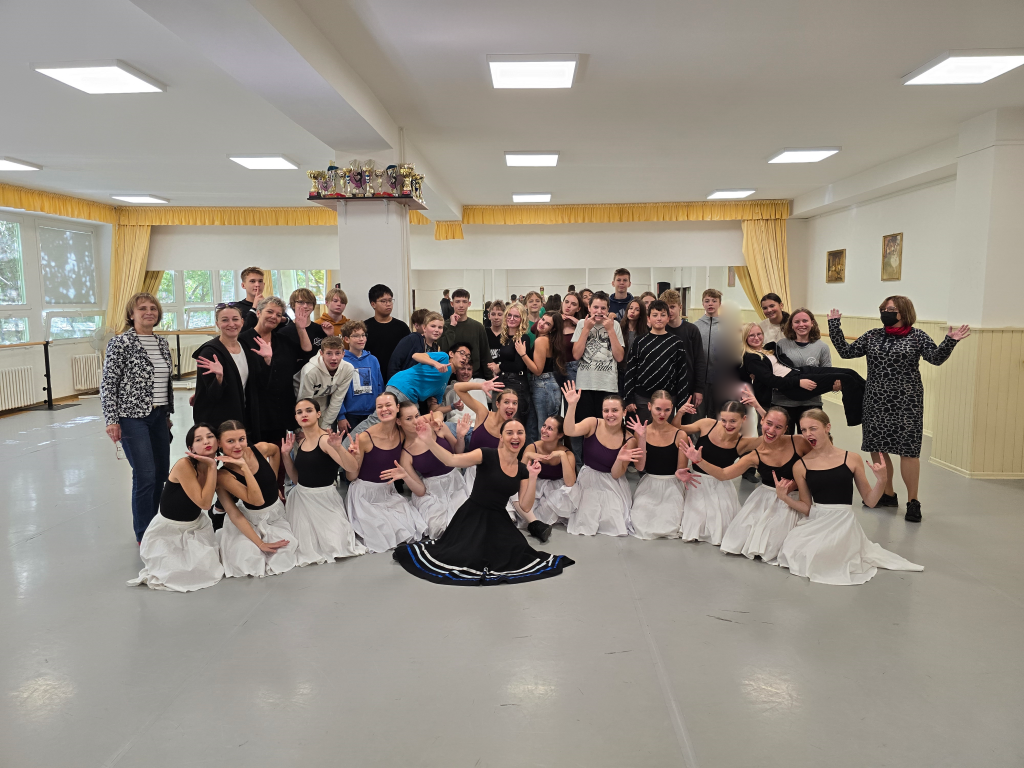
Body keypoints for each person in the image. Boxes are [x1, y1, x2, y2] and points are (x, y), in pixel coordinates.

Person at [828, 297, 969, 522]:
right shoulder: (873, 335)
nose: (886, 312)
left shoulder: (917, 336)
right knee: (877, 447)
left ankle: (913, 501)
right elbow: (846, 351)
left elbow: (935, 358)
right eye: (883, 309)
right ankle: (888, 493)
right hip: (875, 399)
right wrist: (834, 325)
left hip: (907, 401)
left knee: (908, 451)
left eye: (891, 309)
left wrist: (950, 341)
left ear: (904, 312)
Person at [393, 417, 572, 585]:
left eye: (520, 432)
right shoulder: (486, 454)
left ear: (525, 437)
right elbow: (451, 459)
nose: (515, 437)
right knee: (467, 557)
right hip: (472, 518)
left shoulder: (522, 469)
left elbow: (525, 505)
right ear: (501, 437)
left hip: (499, 521)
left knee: (517, 553)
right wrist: (429, 441)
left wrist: (533, 477)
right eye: (509, 433)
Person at [773, 409, 924, 585]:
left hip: (844, 523)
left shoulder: (851, 458)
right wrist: (785, 498)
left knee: (828, 556)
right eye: (804, 430)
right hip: (817, 521)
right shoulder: (800, 466)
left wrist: (882, 480)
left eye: (813, 428)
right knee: (798, 552)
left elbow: (870, 501)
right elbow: (807, 507)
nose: (808, 434)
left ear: (827, 427)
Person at [688, 405, 810, 563]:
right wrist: (699, 461)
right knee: (739, 539)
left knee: (779, 544)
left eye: (778, 427)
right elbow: (724, 474)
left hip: (793, 499)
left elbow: (818, 463)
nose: (771, 430)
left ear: (786, 429)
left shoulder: (799, 442)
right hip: (765, 498)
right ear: (762, 421)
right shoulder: (754, 456)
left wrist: (797, 484)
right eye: (769, 424)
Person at [102, 292, 175, 543]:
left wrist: (166, 413)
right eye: (142, 308)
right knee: (145, 474)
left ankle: (157, 524)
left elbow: (164, 382)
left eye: (153, 308)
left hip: (159, 416)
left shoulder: (162, 343)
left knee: (161, 474)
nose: (149, 312)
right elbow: (109, 383)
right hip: (132, 417)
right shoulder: (120, 343)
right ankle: (144, 533)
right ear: (131, 314)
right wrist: (112, 419)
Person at [127, 423, 224, 592]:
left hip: (196, 526)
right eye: (198, 439)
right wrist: (212, 466)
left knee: (209, 568)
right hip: (169, 531)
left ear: (218, 442)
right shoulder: (184, 465)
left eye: (210, 437)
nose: (206, 442)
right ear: (191, 448)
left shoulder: (213, 467)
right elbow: (205, 503)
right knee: (180, 575)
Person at [280, 399, 366, 566]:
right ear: (295, 417)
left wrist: (339, 448)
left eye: (309, 410)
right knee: (303, 545)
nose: (304, 414)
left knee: (335, 544)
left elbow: (351, 467)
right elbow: (296, 479)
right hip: (301, 500)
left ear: (318, 414)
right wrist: (285, 455)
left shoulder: (326, 440)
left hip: (324, 500)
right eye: (299, 412)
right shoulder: (302, 441)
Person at [738, 322, 865, 428]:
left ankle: (870, 393)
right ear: (745, 338)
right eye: (751, 335)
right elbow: (771, 380)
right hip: (794, 383)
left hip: (799, 371)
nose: (756, 338)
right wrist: (798, 382)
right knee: (846, 379)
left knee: (849, 372)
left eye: (759, 334)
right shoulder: (752, 357)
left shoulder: (766, 349)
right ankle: (857, 418)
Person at [345, 392, 427, 552]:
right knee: (383, 532)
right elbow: (351, 477)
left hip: (388, 491)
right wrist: (354, 458)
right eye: (380, 406)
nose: (384, 409)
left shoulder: (401, 432)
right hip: (365, 495)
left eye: (388, 405)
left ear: (397, 408)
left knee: (411, 525)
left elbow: (430, 417)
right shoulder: (365, 438)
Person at [215, 420, 297, 578]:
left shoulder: (260, 449)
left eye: (241, 439)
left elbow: (275, 451)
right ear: (219, 443)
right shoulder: (223, 475)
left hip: (274, 516)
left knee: (284, 552)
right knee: (248, 558)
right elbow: (238, 512)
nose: (237, 446)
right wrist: (260, 543)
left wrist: (273, 483)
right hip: (249, 520)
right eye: (230, 441)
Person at [676, 401, 760, 545]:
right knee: (694, 523)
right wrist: (679, 413)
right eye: (724, 420)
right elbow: (677, 429)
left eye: (733, 421)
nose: (727, 425)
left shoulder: (743, 443)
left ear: (744, 419)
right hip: (696, 482)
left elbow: (774, 438)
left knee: (722, 528)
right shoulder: (707, 424)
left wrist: (758, 408)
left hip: (721, 486)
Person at [346, 347, 470, 442]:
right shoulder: (443, 357)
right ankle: (344, 451)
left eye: (468, 356)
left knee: (413, 430)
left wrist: (453, 406)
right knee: (376, 421)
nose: (465, 358)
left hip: (411, 398)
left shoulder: (443, 385)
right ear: (451, 354)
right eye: (462, 353)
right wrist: (436, 364)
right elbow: (416, 355)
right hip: (401, 386)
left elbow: (435, 409)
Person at [561, 383, 637, 537]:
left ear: (624, 412)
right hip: (589, 479)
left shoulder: (629, 439)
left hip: (612, 483)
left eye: (615, 410)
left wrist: (619, 459)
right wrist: (572, 405)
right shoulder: (592, 423)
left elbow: (616, 474)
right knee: (584, 522)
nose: (610, 414)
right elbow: (569, 430)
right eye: (606, 410)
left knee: (613, 523)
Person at [192, 303, 273, 442]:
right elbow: (212, 396)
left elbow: (261, 384)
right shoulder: (209, 353)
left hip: (243, 417)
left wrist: (267, 360)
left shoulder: (246, 348)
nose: (231, 324)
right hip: (218, 421)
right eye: (225, 320)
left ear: (242, 322)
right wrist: (219, 377)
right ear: (217, 324)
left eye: (235, 319)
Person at [240, 296, 312, 446]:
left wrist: (301, 328)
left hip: (280, 408)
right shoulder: (243, 340)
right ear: (258, 313)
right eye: (270, 312)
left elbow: (306, 351)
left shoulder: (282, 340)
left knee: (278, 453)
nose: (274, 317)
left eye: (278, 315)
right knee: (256, 452)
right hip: (256, 408)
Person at [628, 391, 699, 540]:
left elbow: (680, 469)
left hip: (672, 485)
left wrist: (684, 471)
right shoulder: (641, 432)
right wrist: (642, 438)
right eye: (658, 409)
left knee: (669, 524)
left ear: (672, 409)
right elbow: (639, 467)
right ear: (649, 406)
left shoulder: (679, 434)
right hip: (649, 483)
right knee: (641, 523)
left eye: (667, 410)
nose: (662, 414)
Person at [396, 401, 469, 540]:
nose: (415, 421)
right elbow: (420, 491)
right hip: (432, 493)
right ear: (399, 422)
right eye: (409, 419)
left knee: (467, 520)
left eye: (416, 416)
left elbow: (458, 453)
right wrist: (405, 477)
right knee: (439, 528)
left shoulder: (437, 428)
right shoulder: (405, 454)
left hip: (455, 483)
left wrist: (460, 437)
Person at [623, 299, 690, 424]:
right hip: (642, 398)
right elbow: (630, 371)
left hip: (667, 398)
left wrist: (682, 402)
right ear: (648, 318)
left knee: (665, 433)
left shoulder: (676, 342)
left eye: (663, 315)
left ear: (668, 318)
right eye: (655, 315)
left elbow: (682, 374)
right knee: (641, 431)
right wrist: (629, 398)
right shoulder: (639, 341)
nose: (659, 318)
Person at [771, 308, 832, 434]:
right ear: (791, 325)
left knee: (809, 440)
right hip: (783, 402)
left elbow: (827, 374)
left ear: (812, 323)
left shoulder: (822, 347)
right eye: (797, 322)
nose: (801, 324)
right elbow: (775, 373)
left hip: (811, 402)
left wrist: (835, 384)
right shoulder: (781, 345)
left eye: (805, 321)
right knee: (783, 440)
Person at [454, 380, 521, 493]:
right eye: (506, 402)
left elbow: (509, 463)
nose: (511, 406)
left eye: (515, 403)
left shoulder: (513, 430)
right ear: (497, 404)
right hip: (471, 473)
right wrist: (481, 386)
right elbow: (457, 387)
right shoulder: (483, 413)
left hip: (494, 477)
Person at [571, 291, 625, 423]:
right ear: (589, 307)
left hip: (608, 385)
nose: (599, 311)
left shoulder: (615, 325)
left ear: (608, 309)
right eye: (595, 307)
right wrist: (586, 329)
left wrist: (610, 330)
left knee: (606, 425)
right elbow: (576, 355)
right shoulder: (581, 324)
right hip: (585, 385)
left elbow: (619, 357)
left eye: (603, 308)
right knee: (585, 426)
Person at [516, 416, 578, 526]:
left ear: (560, 435)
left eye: (550, 428)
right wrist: (527, 456)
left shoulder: (567, 454)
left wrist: (562, 456)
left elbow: (570, 483)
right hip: (536, 486)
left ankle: (538, 519)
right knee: (517, 497)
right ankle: (536, 519)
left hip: (556, 489)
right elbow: (519, 476)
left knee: (569, 492)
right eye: (544, 426)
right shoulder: (532, 447)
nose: (544, 430)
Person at [661, 289, 706, 417]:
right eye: (666, 307)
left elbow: (699, 361)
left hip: (688, 386)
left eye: (672, 307)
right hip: (666, 387)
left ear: (680, 307)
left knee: (686, 424)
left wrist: (699, 389)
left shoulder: (692, 330)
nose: (669, 311)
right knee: (666, 422)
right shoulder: (660, 330)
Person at [296, 336, 357, 430]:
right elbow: (304, 402)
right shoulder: (310, 371)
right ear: (321, 353)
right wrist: (303, 429)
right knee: (306, 434)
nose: (334, 358)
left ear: (343, 354)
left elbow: (337, 399)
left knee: (325, 433)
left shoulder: (348, 369)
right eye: (329, 353)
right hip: (300, 399)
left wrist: (326, 426)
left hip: (323, 400)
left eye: (338, 353)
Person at [491, 303, 535, 429]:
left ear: (522, 319)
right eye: (509, 315)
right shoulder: (505, 337)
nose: (511, 318)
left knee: (514, 423)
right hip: (503, 380)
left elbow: (518, 366)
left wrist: (500, 367)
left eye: (516, 316)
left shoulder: (523, 338)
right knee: (499, 422)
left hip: (516, 383)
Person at [337, 321, 383, 433]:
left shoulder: (373, 360)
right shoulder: (342, 361)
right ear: (346, 339)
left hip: (372, 413)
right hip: (350, 415)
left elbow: (380, 386)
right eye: (356, 336)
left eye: (363, 335)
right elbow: (337, 391)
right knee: (352, 443)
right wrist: (341, 416)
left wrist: (380, 409)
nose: (361, 339)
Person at [529, 312, 566, 443]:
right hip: (548, 385)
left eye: (547, 323)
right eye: (542, 319)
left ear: (553, 329)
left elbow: (538, 370)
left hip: (544, 385)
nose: (542, 323)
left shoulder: (541, 340)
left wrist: (523, 355)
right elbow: (534, 328)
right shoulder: (551, 340)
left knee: (545, 430)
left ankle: (547, 456)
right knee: (546, 429)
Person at [439, 289, 492, 379]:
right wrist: (452, 326)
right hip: (450, 376)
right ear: (452, 304)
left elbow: (485, 354)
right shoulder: (444, 326)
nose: (461, 305)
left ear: (469, 304)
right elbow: (443, 350)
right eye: (457, 302)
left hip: (474, 376)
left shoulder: (478, 327)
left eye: (464, 301)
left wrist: (489, 378)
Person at [364, 284, 411, 383]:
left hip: (397, 378)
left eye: (390, 300)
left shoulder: (402, 327)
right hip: (372, 377)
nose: (388, 304)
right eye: (383, 301)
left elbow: (409, 354)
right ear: (373, 304)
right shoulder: (365, 327)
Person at [694, 289, 730, 418]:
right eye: (707, 301)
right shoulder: (695, 326)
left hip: (720, 381)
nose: (710, 304)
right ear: (702, 303)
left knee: (716, 417)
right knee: (697, 416)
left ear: (719, 304)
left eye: (714, 301)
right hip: (699, 381)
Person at [278, 288, 327, 369]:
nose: (305, 306)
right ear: (293, 305)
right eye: (301, 302)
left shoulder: (320, 329)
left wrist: (330, 335)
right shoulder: (283, 332)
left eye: (309, 302)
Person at [389, 310, 443, 380]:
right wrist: (394, 382)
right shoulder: (413, 339)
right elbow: (394, 362)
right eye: (433, 326)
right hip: (405, 383)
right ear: (424, 328)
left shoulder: (436, 347)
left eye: (440, 327)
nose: (436, 330)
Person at [618, 298, 648, 393]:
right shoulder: (619, 328)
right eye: (630, 308)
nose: (632, 311)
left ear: (641, 313)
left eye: (637, 309)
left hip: (636, 373)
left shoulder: (645, 332)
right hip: (620, 371)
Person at [559, 293, 583, 387]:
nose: (568, 306)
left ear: (578, 309)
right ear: (562, 303)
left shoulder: (580, 326)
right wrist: (555, 318)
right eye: (566, 302)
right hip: (555, 368)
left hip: (573, 368)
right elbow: (534, 328)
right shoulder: (553, 322)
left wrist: (579, 323)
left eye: (573, 304)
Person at [484, 300, 506, 366]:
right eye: (493, 314)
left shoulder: (508, 334)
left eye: (499, 314)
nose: (496, 317)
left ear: (505, 316)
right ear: (489, 316)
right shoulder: (483, 333)